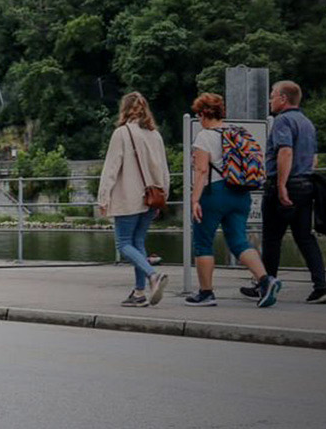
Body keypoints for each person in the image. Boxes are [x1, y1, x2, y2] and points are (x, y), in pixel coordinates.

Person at [182, 93, 281, 307]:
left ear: (203, 114)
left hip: (214, 193)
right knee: (238, 240)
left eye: (198, 114)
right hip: (240, 193)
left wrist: (194, 200)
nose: (198, 119)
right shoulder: (237, 132)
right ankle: (265, 280)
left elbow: (201, 171)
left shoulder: (204, 136)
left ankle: (206, 293)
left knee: (203, 243)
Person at [251, 80, 326, 304]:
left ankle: (266, 285)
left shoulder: (282, 121)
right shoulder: (307, 123)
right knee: (305, 237)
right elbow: (313, 158)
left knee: (272, 239)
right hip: (306, 185)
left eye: (272, 95)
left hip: (286, 184)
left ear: (283, 99)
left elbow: (285, 152)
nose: (270, 100)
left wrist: (281, 186)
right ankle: (321, 287)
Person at [96, 91, 169, 307]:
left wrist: (103, 197)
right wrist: (163, 195)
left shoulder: (122, 133)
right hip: (151, 197)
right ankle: (139, 293)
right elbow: (164, 170)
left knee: (124, 244)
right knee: (138, 243)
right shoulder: (155, 135)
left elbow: (111, 168)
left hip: (128, 197)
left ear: (125, 109)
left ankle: (152, 275)